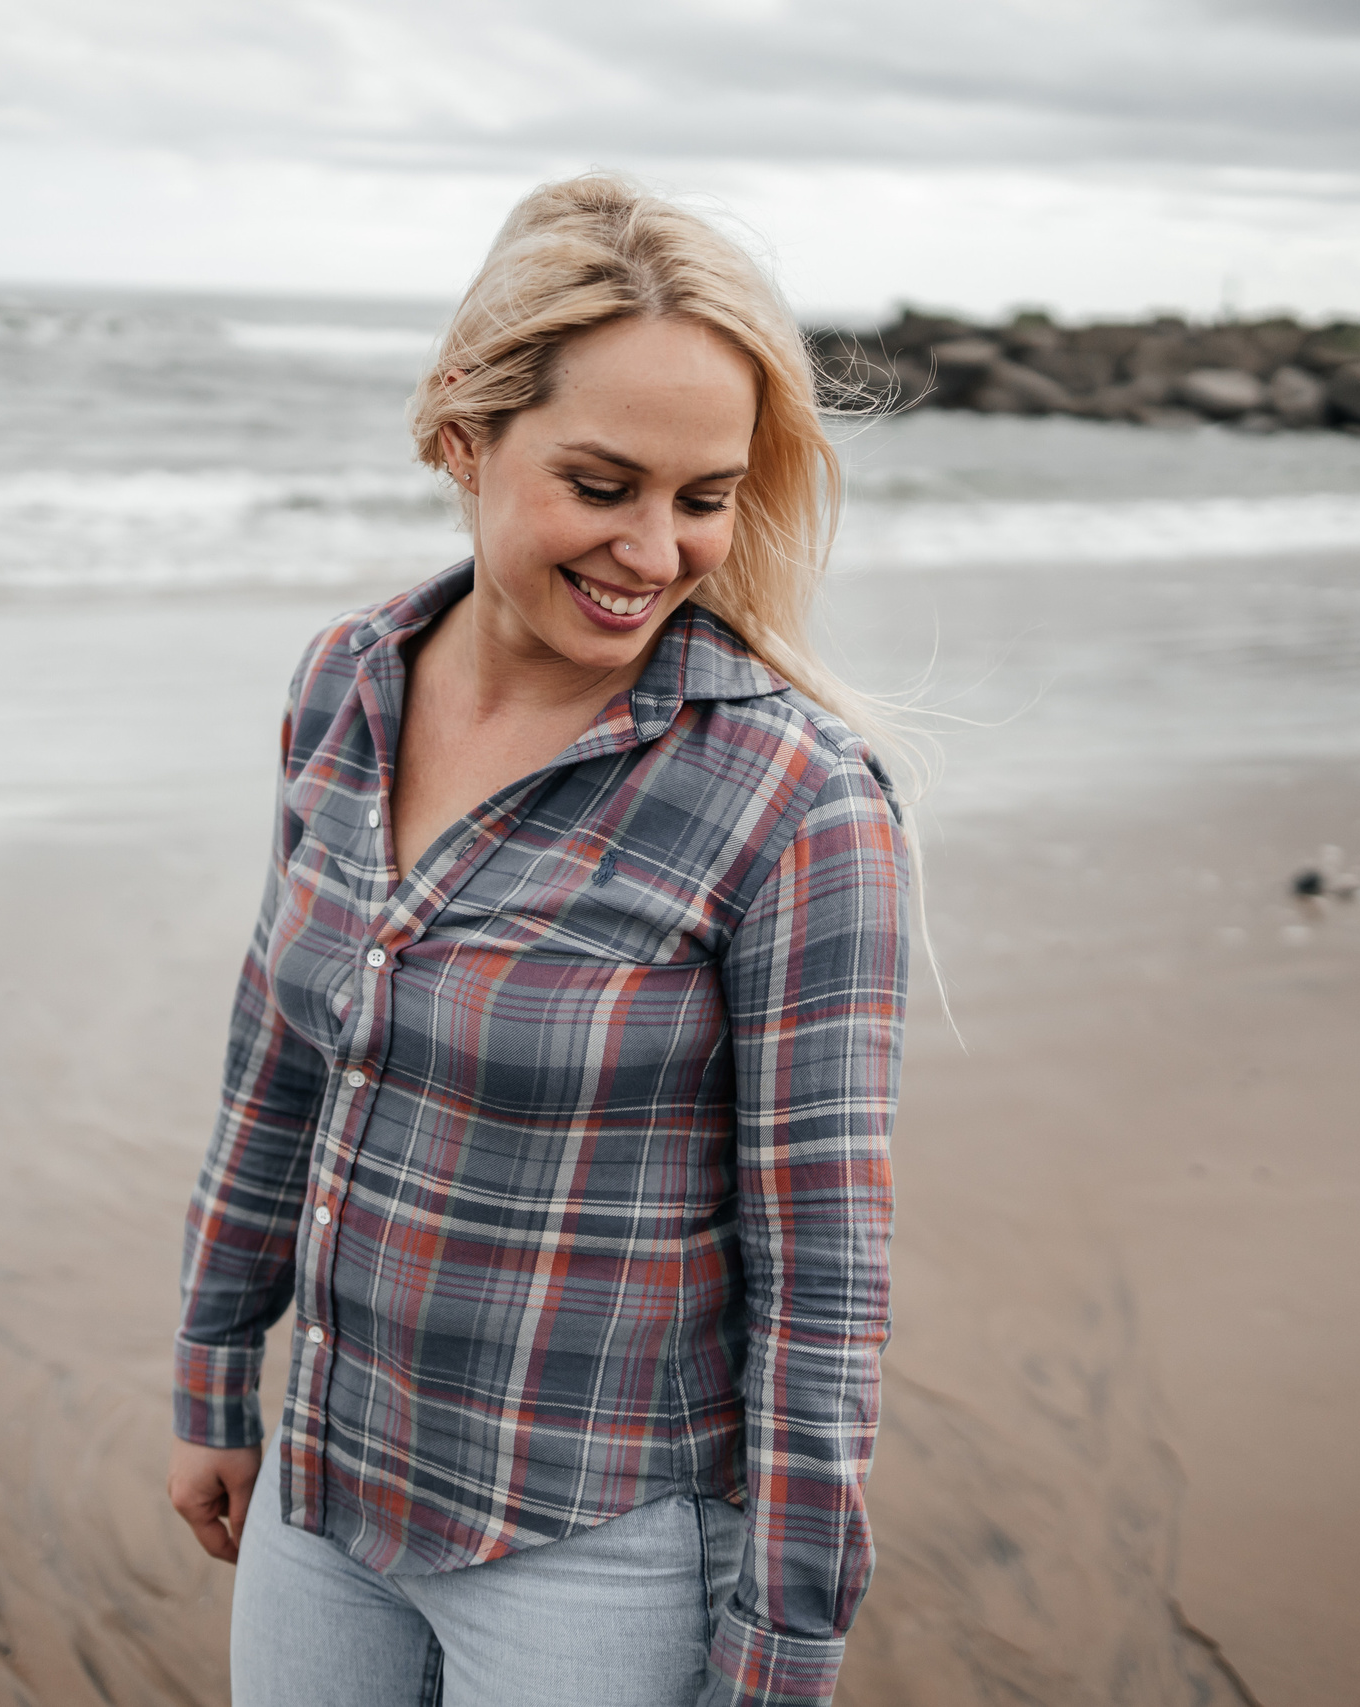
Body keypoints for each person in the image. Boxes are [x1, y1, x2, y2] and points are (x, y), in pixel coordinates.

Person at [167, 173, 908, 1707]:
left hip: (599, 1545)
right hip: (327, 1483)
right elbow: (275, 1064)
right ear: (462, 434)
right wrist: (214, 1375)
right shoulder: (349, 683)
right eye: (603, 483)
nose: (657, 548)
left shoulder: (791, 801)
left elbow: (824, 1275)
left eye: (705, 497)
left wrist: (781, 1653)